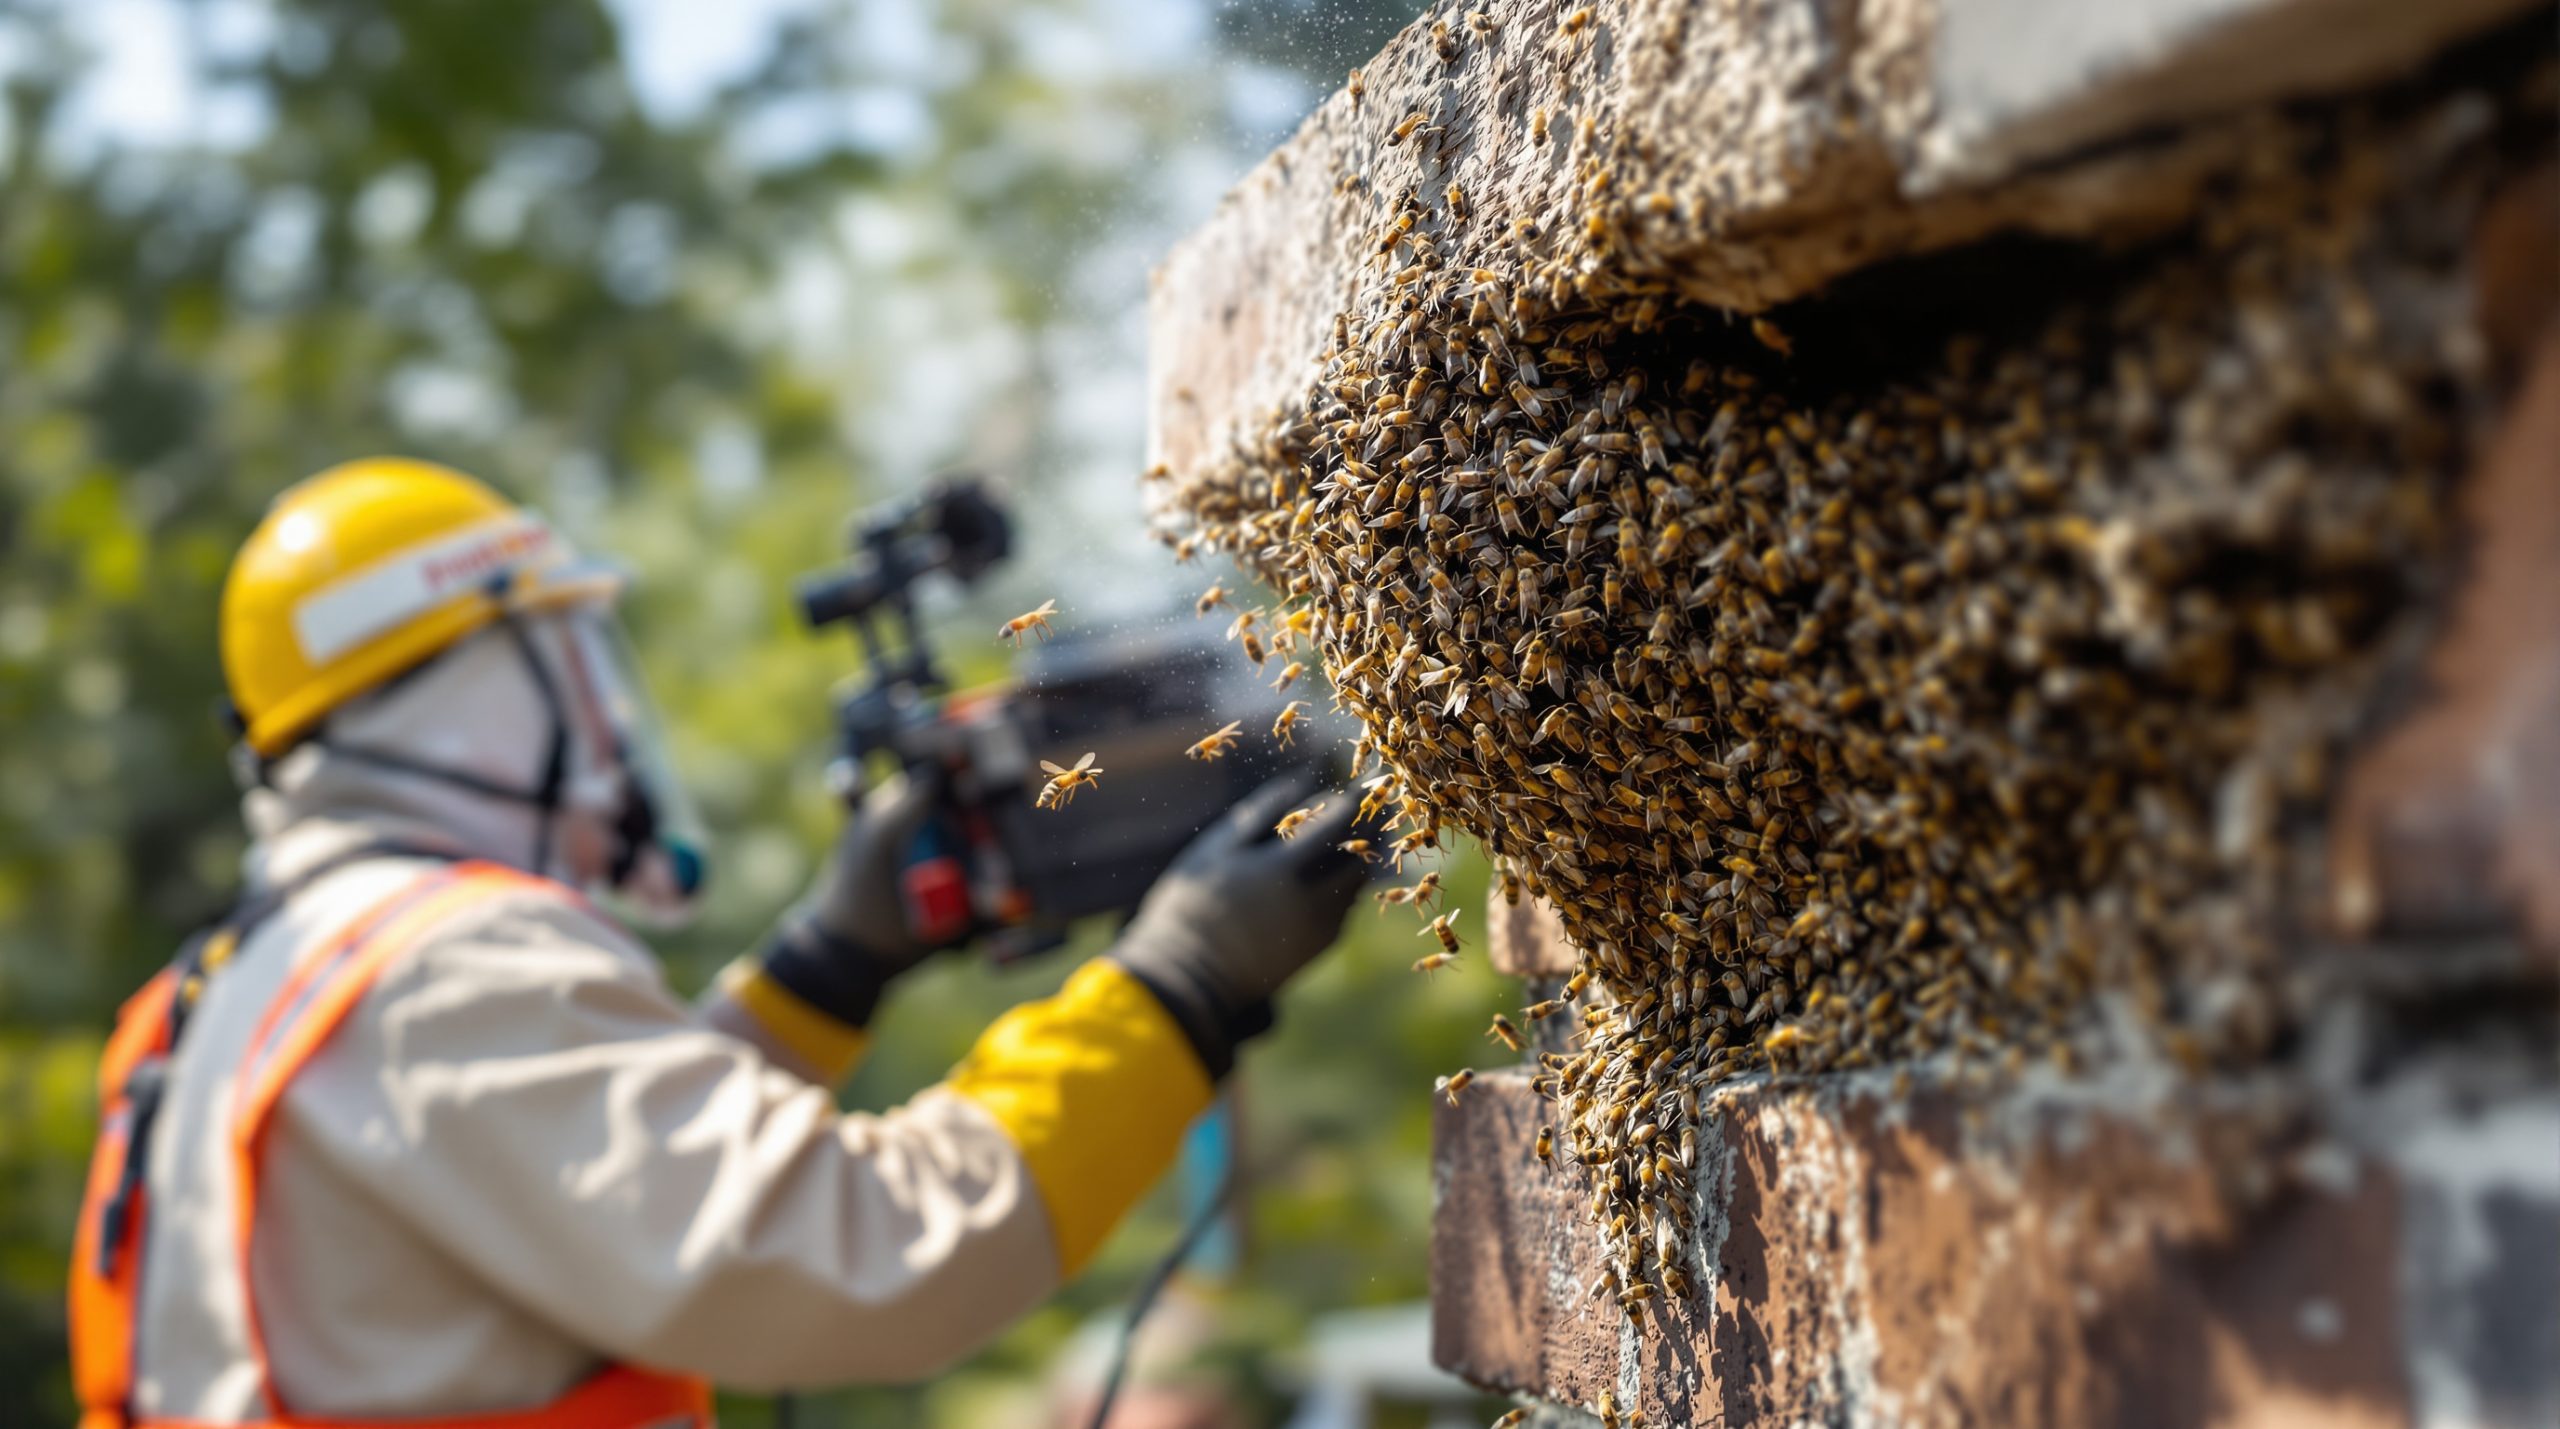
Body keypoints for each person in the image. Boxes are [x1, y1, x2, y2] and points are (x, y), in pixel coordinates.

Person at [69, 458, 1367, 1428]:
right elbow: (874, 1256)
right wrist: (1178, 988)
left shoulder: (233, 987)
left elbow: (575, 1180)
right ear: (475, 693)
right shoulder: (441, 963)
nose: (610, 720)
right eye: (568, 662)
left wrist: (824, 971)